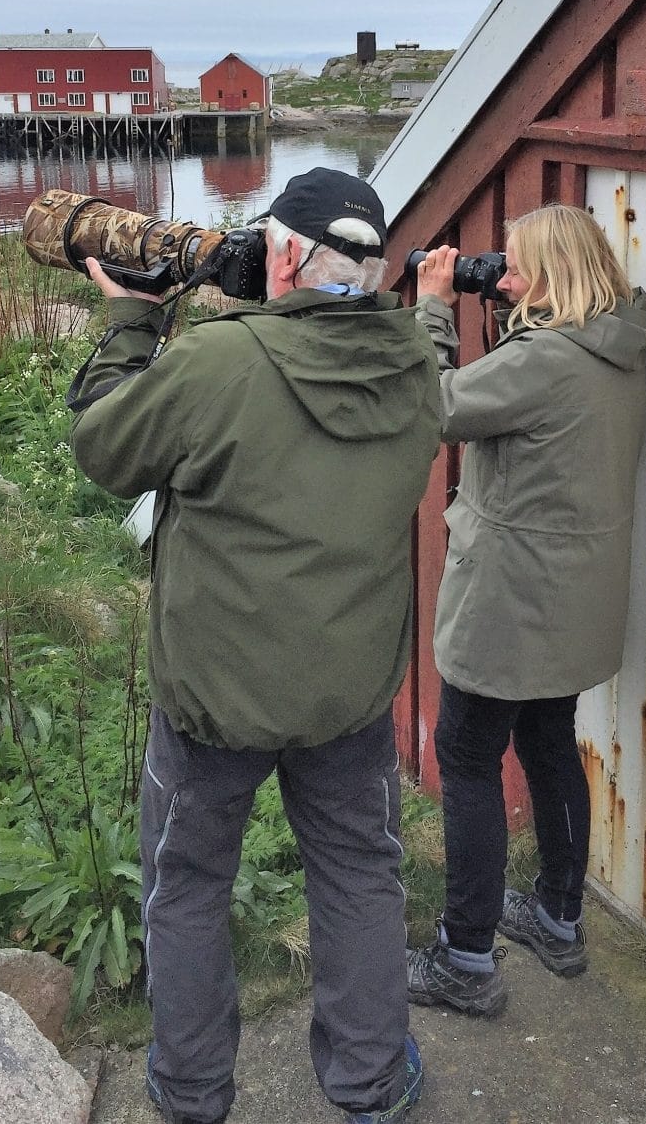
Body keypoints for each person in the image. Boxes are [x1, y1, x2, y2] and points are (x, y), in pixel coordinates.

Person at [70, 167, 442, 1124]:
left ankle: (192, 1095)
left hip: (215, 699)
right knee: (360, 876)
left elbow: (107, 454)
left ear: (280, 255)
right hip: (349, 694)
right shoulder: (417, 368)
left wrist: (132, 322)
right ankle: (367, 1087)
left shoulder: (220, 364)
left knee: (188, 888)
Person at [405, 204, 646, 1017]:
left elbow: (435, 407)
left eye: (515, 267)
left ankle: (466, 959)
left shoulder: (548, 359)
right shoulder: (624, 344)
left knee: (468, 755)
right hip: (576, 594)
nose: (502, 277)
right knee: (550, 742)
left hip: (514, 596)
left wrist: (432, 308)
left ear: (554, 276)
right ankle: (558, 916)